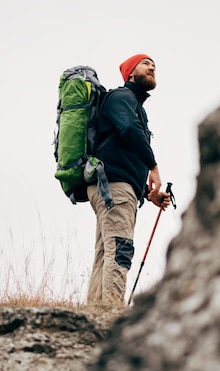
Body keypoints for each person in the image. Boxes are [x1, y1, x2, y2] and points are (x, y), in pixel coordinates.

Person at [86, 53, 171, 307]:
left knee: (105, 251)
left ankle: (96, 312)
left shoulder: (135, 106)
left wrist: (148, 192)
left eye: (154, 65)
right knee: (120, 249)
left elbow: (124, 151)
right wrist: (153, 166)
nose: (152, 67)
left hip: (111, 186)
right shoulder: (122, 97)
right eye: (145, 63)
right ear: (130, 73)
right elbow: (128, 129)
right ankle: (111, 313)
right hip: (114, 187)